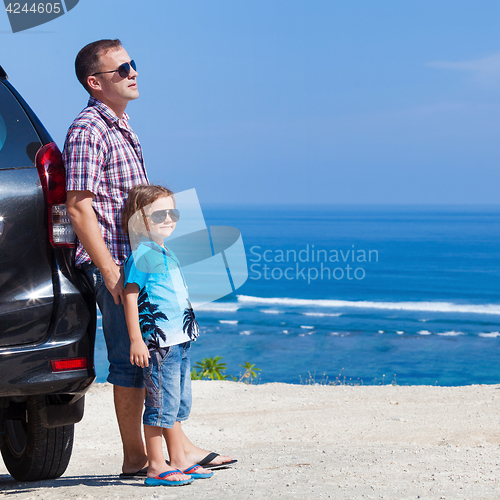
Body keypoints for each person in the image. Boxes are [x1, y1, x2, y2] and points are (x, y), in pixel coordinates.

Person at [63, 39, 234, 476]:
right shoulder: (88, 130)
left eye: (132, 64)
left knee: (163, 352)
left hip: (142, 260)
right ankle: (138, 457)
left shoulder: (122, 124)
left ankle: (179, 449)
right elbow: (80, 207)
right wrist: (111, 272)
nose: (133, 72)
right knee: (130, 360)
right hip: (119, 266)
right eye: (121, 69)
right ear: (95, 82)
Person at [121, 184, 214, 486]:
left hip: (179, 339)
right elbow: (130, 295)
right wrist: (136, 338)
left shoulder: (164, 250)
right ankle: (156, 466)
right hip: (159, 344)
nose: (168, 218)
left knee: (176, 402)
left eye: (172, 212)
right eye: (158, 213)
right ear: (138, 219)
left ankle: (179, 459)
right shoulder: (142, 255)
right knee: (160, 404)